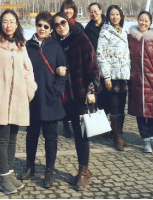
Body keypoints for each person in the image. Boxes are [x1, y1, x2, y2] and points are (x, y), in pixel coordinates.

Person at [0, 9, 37, 195]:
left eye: (12, 22)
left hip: (18, 99)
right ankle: (3, 177)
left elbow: (28, 69)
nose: (8, 25)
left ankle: (10, 172)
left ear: (17, 24)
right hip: (0, 99)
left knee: (13, 138)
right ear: (1, 24)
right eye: (5, 21)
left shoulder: (21, 44)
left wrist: (28, 88)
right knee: (2, 139)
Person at [52, 12, 99, 191]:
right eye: (56, 25)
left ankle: (83, 172)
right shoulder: (56, 44)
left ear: (69, 23)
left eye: (63, 23)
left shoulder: (81, 39)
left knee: (81, 134)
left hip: (81, 94)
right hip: (65, 96)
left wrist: (91, 90)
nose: (60, 27)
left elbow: (93, 67)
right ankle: (84, 170)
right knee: (72, 133)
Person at [23, 11, 67, 188]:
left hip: (50, 100)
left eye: (46, 26)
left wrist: (55, 91)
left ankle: (49, 171)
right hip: (32, 99)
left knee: (50, 137)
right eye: (39, 25)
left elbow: (63, 73)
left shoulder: (55, 47)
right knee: (31, 135)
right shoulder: (28, 46)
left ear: (50, 30)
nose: (42, 28)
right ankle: (30, 166)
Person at [96, 4, 131, 151]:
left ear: (121, 16)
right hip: (112, 75)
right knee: (114, 105)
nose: (115, 17)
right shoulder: (105, 32)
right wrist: (107, 77)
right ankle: (116, 137)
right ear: (108, 16)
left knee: (122, 105)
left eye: (117, 14)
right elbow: (100, 55)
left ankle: (119, 133)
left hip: (124, 75)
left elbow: (127, 54)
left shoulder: (124, 31)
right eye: (112, 14)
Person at [128, 11, 153, 153]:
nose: (143, 23)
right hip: (136, 79)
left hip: (152, 79)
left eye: (146, 20)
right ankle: (145, 139)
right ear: (137, 21)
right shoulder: (131, 38)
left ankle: (152, 137)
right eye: (141, 20)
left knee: (152, 110)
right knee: (140, 111)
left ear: (150, 23)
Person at [59, 0, 83, 139]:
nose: (68, 11)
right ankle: (65, 125)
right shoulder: (58, 26)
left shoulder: (78, 26)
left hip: (76, 67)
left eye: (71, 8)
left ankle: (77, 124)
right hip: (63, 66)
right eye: (66, 8)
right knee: (64, 97)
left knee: (76, 98)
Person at [84, 2, 108, 115]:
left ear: (101, 11)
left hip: (110, 64)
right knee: (100, 96)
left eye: (95, 11)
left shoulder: (108, 24)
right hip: (97, 66)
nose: (94, 14)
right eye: (91, 12)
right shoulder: (88, 29)